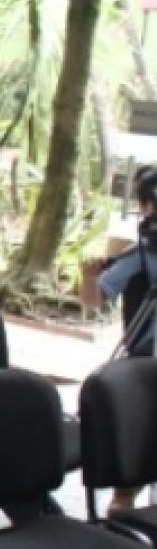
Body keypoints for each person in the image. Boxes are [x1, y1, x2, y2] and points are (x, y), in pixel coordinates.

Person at [81, 165, 157, 515]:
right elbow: (93, 302)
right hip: (143, 368)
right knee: (138, 435)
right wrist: (89, 277)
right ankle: (124, 501)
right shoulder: (137, 256)